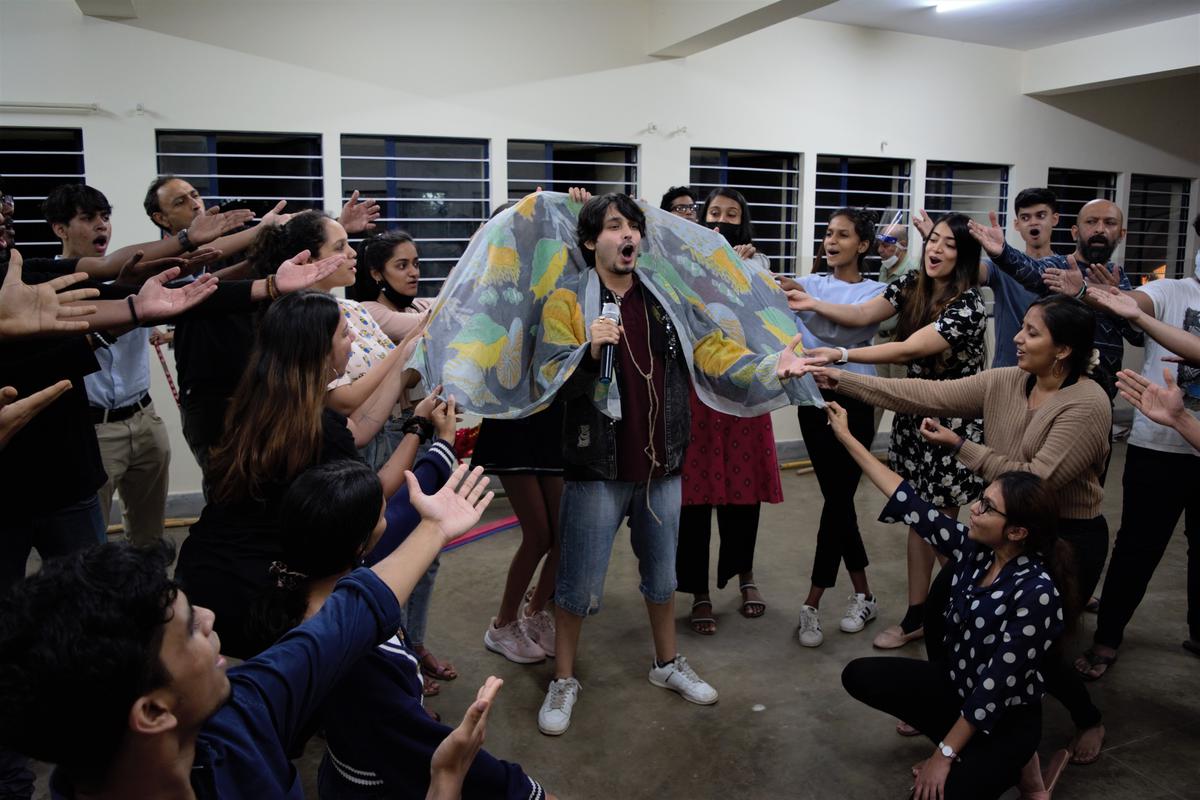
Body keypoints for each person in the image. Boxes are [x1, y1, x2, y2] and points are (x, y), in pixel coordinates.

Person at [0, 460, 512, 800]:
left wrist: (435, 528)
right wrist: (444, 783)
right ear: (154, 711)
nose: (210, 618)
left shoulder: (236, 712)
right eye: (190, 629)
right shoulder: (240, 713)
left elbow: (348, 617)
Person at [787, 293, 1111, 764]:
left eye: (1032, 333)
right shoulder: (1008, 381)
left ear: (1063, 350)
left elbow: (1031, 484)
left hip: (1064, 534)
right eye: (1021, 327)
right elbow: (923, 395)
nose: (1016, 339)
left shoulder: (1087, 403)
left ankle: (1087, 718)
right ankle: (949, 705)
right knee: (941, 609)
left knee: (1039, 649)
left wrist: (963, 446)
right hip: (1002, 530)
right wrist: (836, 376)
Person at [249, 459, 552, 800]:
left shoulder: (306, 586)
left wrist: (438, 449)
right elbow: (422, 748)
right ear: (359, 543)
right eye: (382, 515)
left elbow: (400, 526)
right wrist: (525, 791)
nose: (389, 520)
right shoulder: (359, 661)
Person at [534, 194, 719, 736]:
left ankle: (666, 665)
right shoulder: (568, 299)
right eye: (614, 226)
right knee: (577, 584)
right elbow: (548, 379)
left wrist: (764, 363)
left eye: (634, 225)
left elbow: (707, 350)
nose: (628, 234)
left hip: (662, 462)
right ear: (592, 242)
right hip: (596, 466)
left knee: (662, 578)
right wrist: (586, 352)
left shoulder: (663, 296)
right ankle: (564, 678)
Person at [174, 290, 443, 659]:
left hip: (201, 574)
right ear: (319, 350)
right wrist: (419, 427)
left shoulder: (262, 404)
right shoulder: (317, 430)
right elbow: (373, 497)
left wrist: (404, 358)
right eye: (346, 335)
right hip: (256, 594)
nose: (354, 342)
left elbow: (358, 427)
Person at [826, 399, 1069, 800]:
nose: (974, 509)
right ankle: (983, 758)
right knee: (860, 674)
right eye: (981, 498)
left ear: (1017, 532)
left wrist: (943, 755)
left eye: (987, 507)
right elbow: (906, 499)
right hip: (957, 691)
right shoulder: (975, 550)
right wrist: (847, 437)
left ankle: (1020, 770)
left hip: (1004, 720)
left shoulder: (1036, 593)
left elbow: (993, 689)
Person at [785, 212, 987, 649]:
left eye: (950, 245)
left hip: (951, 423)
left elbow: (911, 348)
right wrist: (813, 303)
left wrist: (840, 354)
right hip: (913, 415)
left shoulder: (968, 305)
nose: (937, 249)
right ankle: (918, 615)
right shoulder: (912, 284)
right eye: (934, 240)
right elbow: (861, 313)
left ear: (966, 255)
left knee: (940, 525)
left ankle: (972, 607)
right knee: (917, 517)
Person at [142, 176, 380, 471]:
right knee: (232, 488)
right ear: (161, 218)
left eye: (195, 195)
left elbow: (268, 262)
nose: (195, 204)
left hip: (261, 398)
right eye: (181, 201)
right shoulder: (165, 267)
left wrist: (330, 230)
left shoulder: (242, 250)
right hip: (219, 403)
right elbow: (214, 289)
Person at [1074, 261, 1200, 675]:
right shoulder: (1172, 290)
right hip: (1159, 447)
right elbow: (1134, 301)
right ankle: (1107, 638)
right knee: (1137, 548)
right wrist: (1112, 299)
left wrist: (1135, 314)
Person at [676, 186, 783, 636]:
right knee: (694, 498)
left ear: (744, 221)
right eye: (713, 213)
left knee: (743, 493)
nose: (721, 220)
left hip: (743, 392)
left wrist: (745, 270)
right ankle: (698, 590)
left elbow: (769, 319)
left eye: (731, 214)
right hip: (696, 394)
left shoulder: (756, 264)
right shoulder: (681, 265)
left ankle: (746, 577)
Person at [44, 183, 171, 545]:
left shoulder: (131, 277)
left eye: (105, 217)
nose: (102, 226)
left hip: (146, 421)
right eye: (88, 218)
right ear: (60, 229)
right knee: (88, 543)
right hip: (91, 430)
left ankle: (148, 598)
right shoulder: (45, 288)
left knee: (150, 538)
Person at [784, 207, 886, 646]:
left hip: (859, 395)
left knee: (839, 497)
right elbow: (769, 290)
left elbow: (860, 320)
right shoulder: (809, 283)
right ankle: (862, 594)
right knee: (837, 497)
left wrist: (812, 308)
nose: (831, 241)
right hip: (813, 396)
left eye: (842, 235)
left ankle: (812, 602)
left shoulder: (876, 289)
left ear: (862, 245)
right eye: (828, 234)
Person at [968, 198, 1144, 396]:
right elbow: (1032, 271)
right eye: (1091, 222)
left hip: (1102, 396)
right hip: (1054, 394)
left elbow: (1138, 336)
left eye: (1109, 223)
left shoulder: (1118, 277)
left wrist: (1113, 299)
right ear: (1075, 232)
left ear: (1122, 234)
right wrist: (1002, 253)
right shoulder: (1060, 265)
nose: (1100, 229)